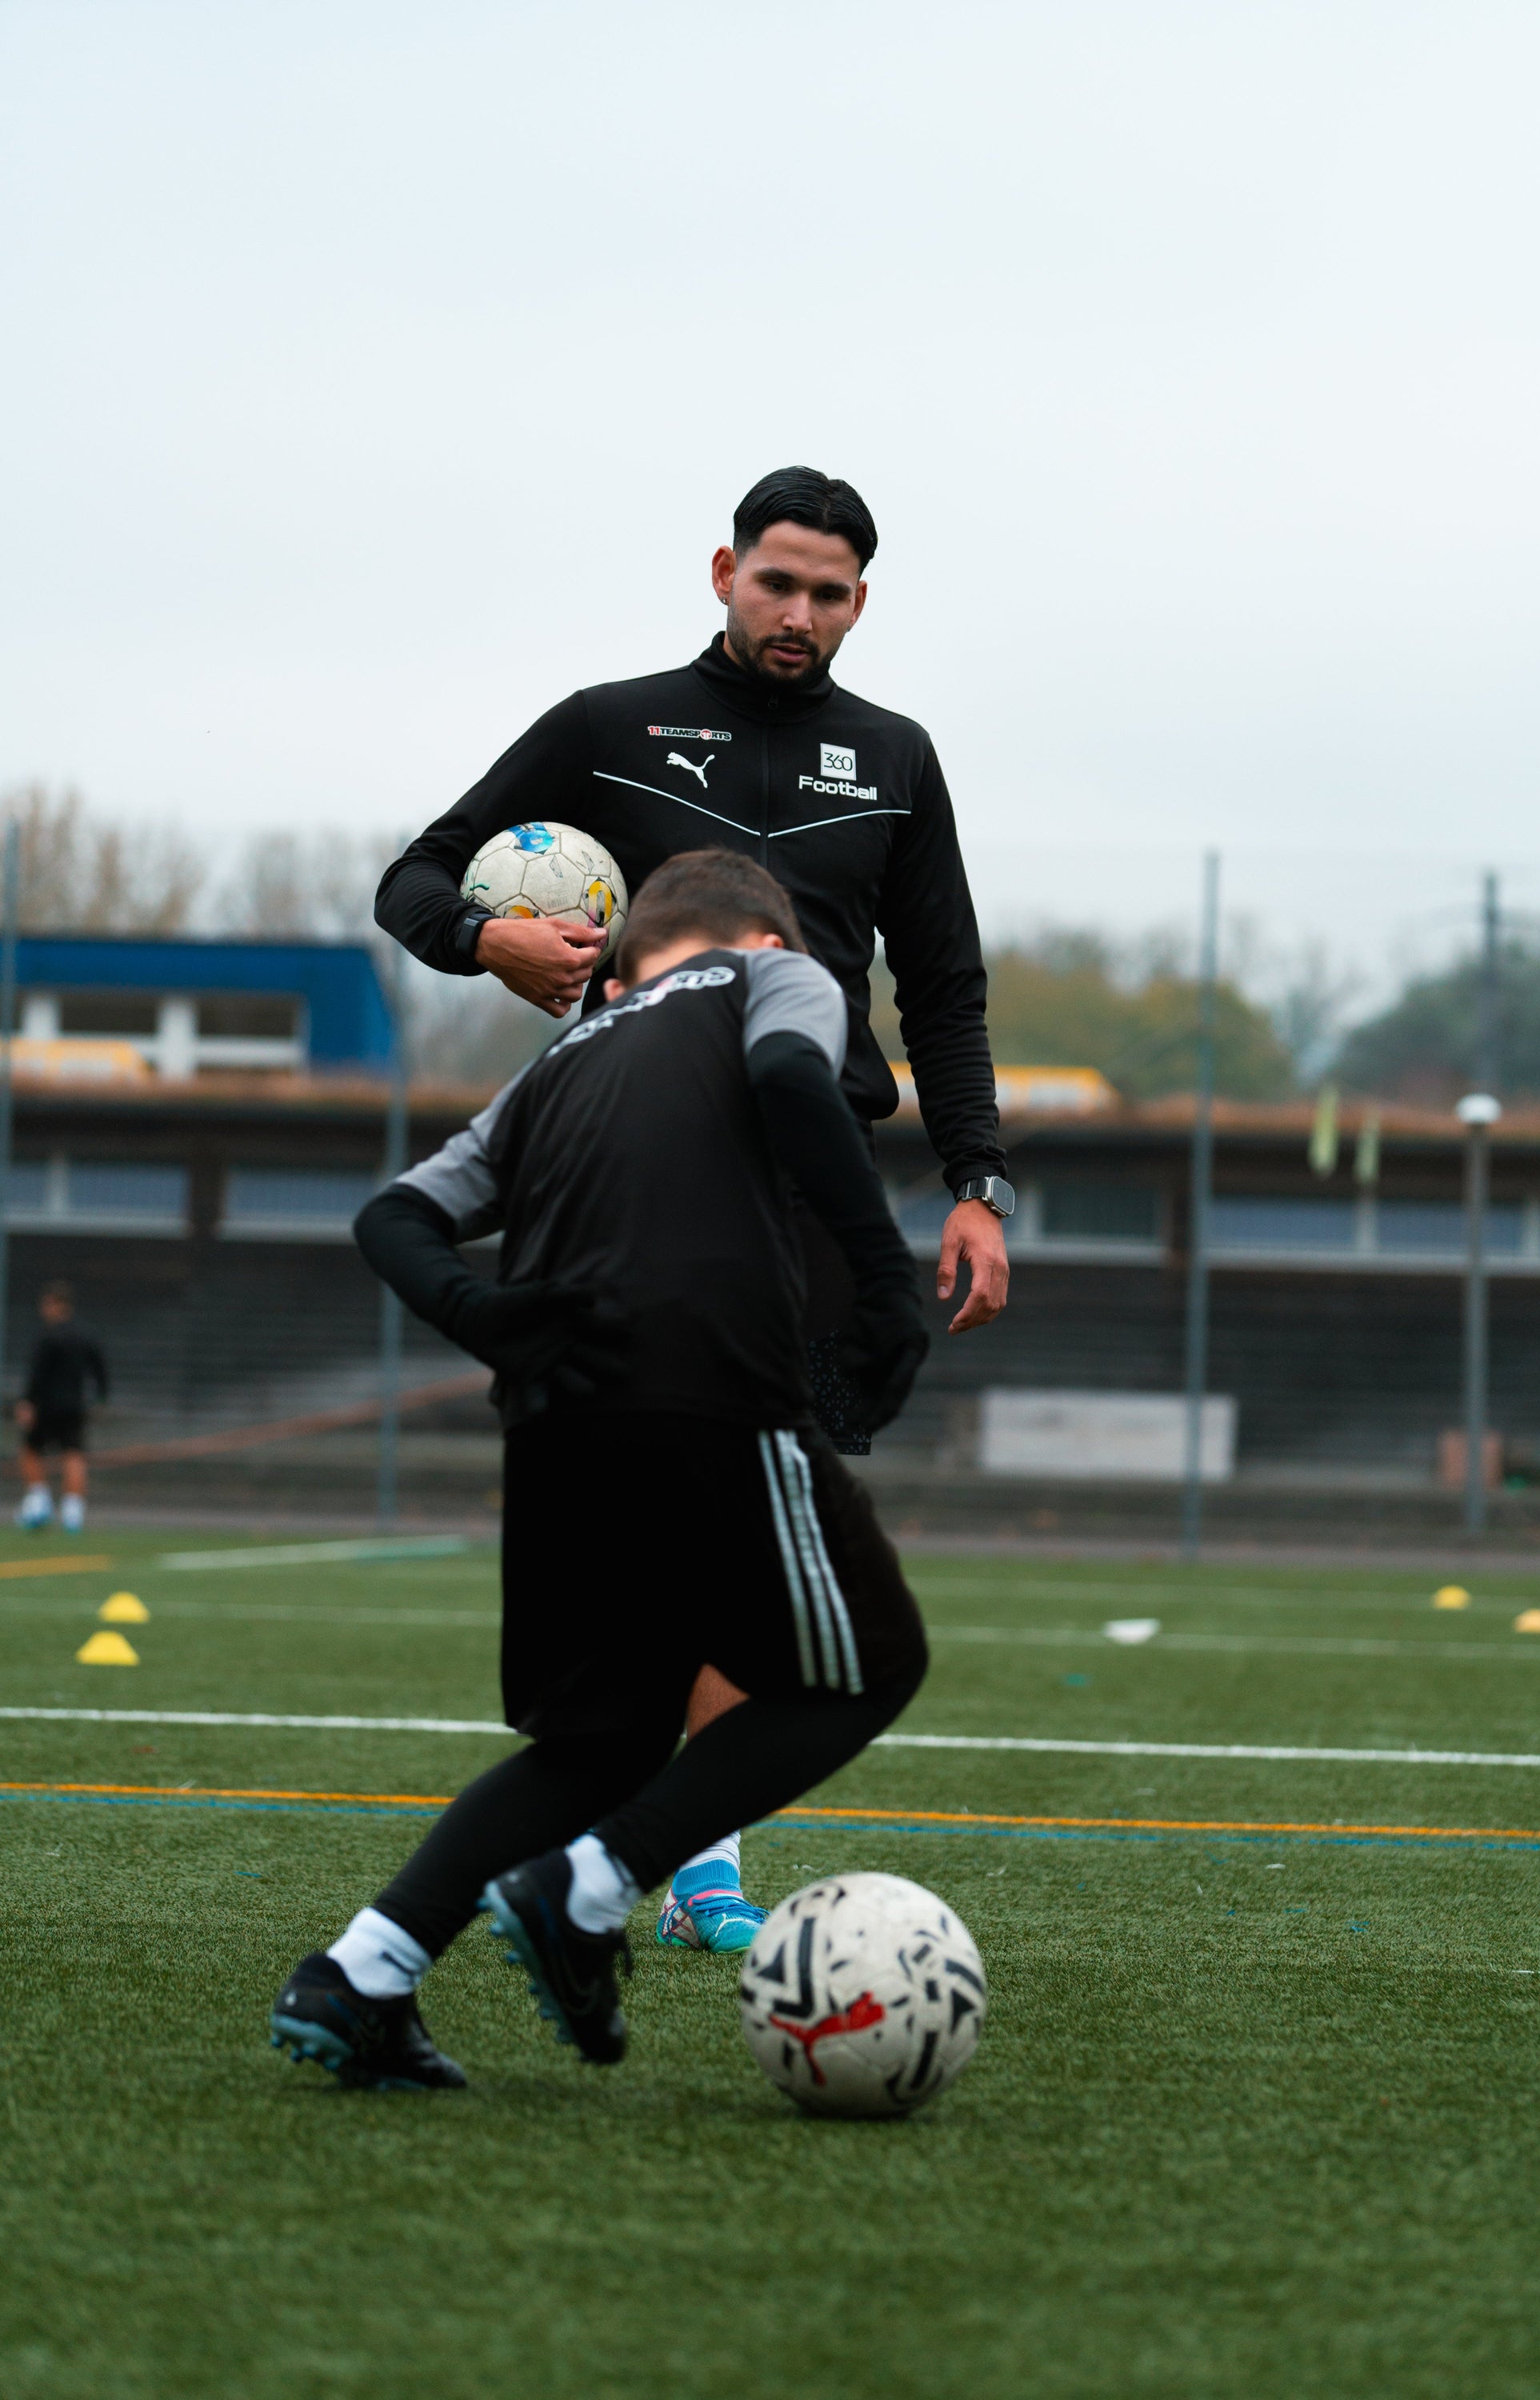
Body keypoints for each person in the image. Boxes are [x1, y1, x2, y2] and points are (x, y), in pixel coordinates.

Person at [374, 464, 1013, 1950]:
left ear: (863, 603)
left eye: (830, 593)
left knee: (754, 1521)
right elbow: (412, 879)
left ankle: (681, 1863)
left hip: (805, 1176)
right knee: (710, 1525)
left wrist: (976, 1183)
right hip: (635, 1175)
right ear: (723, 571)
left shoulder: (897, 758)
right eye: (776, 581)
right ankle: (649, 1861)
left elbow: (948, 991)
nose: (798, 614)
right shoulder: (609, 727)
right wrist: (491, 940)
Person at [270, 851, 929, 2090]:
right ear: (767, 937)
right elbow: (795, 1074)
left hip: (555, 1427)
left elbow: (393, 1219)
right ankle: (590, 1888)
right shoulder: (774, 979)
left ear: (624, 967)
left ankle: (360, 1974)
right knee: (870, 1666)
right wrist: (885, 1282)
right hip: (706, 1392)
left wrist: (488, 1315)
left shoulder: (561, 1063)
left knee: (602, 1742)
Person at [14, 1282, 107, 1534]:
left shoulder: (48, 1336)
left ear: (56, 1304)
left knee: (31, 1451)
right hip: (74, 1407)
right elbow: (100, 1371)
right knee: (74, 1455)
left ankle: (39, 1502)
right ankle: (72, 1513)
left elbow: (37, 1374)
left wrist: (28, 1403)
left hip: (46, 1406)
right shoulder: (87, 1334)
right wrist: (100, 1400)